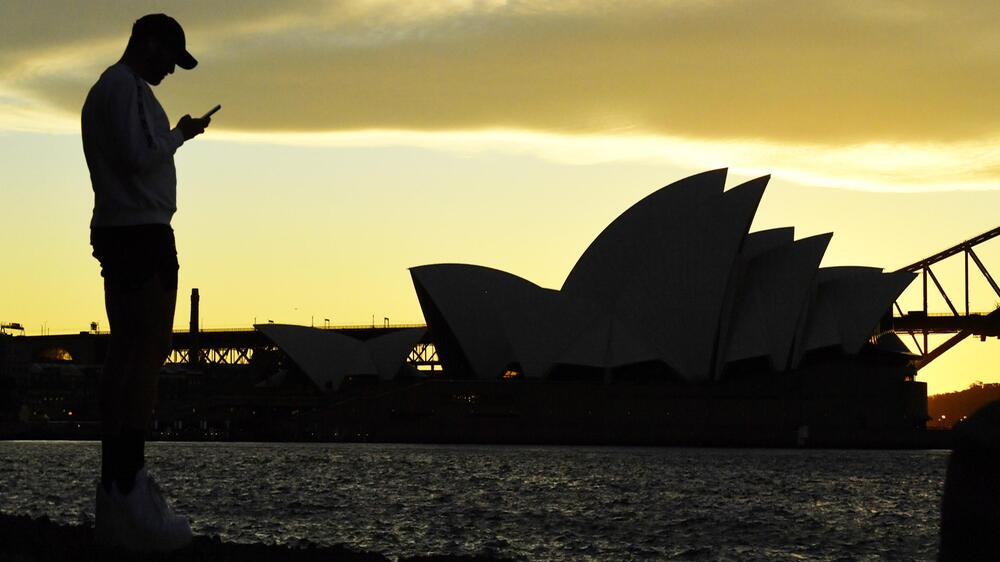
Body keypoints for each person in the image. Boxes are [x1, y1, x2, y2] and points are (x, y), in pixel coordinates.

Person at [81, 14, 210, 551]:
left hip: (122, 229)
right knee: (145, 352)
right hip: (140, 232)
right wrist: (179, 134)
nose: (170, 73)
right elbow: (138, 158)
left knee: (129, 351)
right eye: (169, 60)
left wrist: (177, 134)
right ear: (148, 44)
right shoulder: (124, 87)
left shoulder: (108, 91)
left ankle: (119, 486)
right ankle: (128, 485)